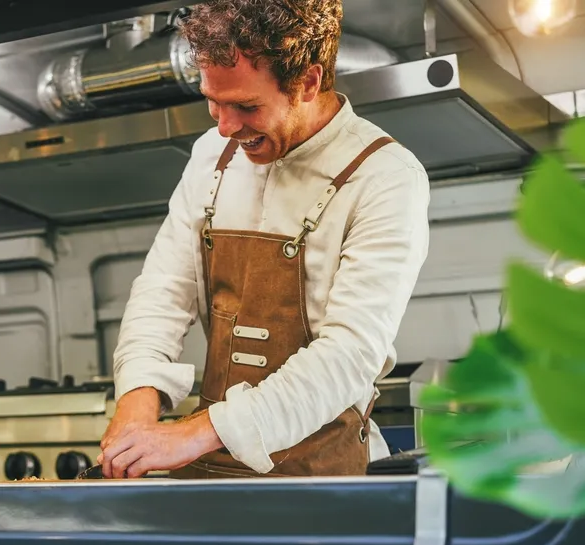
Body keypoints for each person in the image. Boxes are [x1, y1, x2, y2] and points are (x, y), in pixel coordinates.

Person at [97, 0, 430, 479]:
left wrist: (192, 433)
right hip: (208, 464)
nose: (225, 127)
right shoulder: (211, 155)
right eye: (212, 100)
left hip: (322, 475)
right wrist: (137, 397)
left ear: (309, 83)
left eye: (246, 106)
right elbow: (163, 290)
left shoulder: (386, 176)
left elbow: (349, 355)